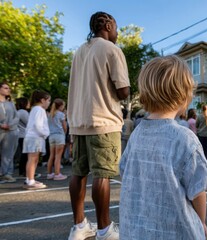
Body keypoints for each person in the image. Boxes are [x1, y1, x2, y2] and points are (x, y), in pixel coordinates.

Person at [119, 55, 207, 239]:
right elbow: (197, 189)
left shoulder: (137, 134)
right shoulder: (185, 138)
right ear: (183, 95)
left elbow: (125, 172)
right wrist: (201, 222)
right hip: (176, 230)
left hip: (135, 229)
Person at [67, 12, 130, 240]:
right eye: (116, 28)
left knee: (78, 173)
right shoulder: (112, 49)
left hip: (78, 121)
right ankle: (104, 230)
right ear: (109, 25)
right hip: (104, 120)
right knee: (102, 175)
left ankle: (79, 226)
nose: (117, 33)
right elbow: (123, 90)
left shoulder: (79, 52)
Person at [23, 90, 51, 189]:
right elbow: (38, 125)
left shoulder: (35, 109)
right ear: (42, 100)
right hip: (35, 137)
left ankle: (30, 179)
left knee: (33, 159)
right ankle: (30, 181)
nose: (49, 103)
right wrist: (46, 134)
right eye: (48, 101)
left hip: (33, 137)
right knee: (32, 159)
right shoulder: (40, 110)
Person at [0, 82, 19, 183]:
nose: (8, 90)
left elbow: (17, 116)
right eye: (6, 88)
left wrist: (10, 124)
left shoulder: (11, 103)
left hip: (11, 131)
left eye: (9, 88)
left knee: (8, 154)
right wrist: (1, 125)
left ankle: (7, 174)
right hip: (1, 130)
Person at [46, 98, 67, 181]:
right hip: (59, 136)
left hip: (51, 136)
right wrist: (64, 133)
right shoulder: (61, 114)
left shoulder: (50, 114)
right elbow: (64, 126)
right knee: (58, 156)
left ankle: (49, 173)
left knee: (51, 155)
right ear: (61, 106)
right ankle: (57, 174)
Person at [15, 97, 30, 177]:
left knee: (24, 154)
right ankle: (24, 171)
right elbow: (29, 123)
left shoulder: (19, 112)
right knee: (26, 154)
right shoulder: (23, 112)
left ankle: (22, 171)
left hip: (20, 135)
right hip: (24, 135)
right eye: (28, 102)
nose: (29, 104)